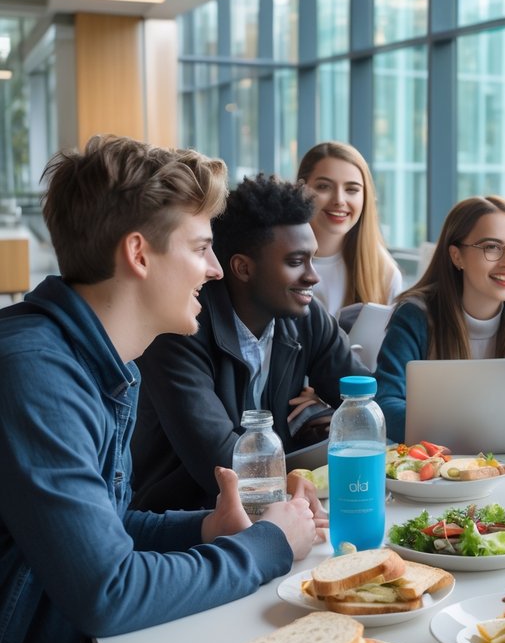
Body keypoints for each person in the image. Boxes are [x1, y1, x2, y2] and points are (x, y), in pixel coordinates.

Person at [0, 136, 321, 643]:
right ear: (139, 254)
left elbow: (108, 529)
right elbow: (107, 592)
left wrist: (204, 529)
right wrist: (268, 544)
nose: (217, 268)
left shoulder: (92, 360)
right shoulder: (35, 373)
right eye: (202, 248)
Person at [132, 173, 368, 512]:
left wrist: (337, 414)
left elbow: (363, 395)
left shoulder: (306, 317)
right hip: (187, 525)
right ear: (243, 268)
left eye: (312, 259)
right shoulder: (180, 331)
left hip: (275, 505)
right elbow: (221, 463)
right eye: (295, 261)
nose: (313, 276)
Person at [375, 195, 505, 439]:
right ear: (456, 256)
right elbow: (386, 403)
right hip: (442, 464)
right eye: (491, 247)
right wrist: (466, 434)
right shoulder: (416, 316)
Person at [297, 141, 404, 318]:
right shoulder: (276, 263)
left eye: (352, 189)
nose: (339, 200)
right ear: (301, 189)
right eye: (324, 186)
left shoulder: (384, 273)